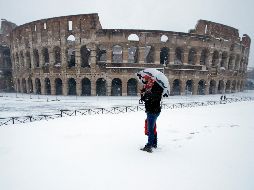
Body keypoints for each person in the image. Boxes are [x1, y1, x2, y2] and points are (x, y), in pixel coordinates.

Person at [140, 76, 164, 153]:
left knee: (150, 129)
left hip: (153, 111)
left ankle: (149, 145)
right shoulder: (148, 87)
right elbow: (144, 99)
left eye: (146, 79)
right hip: (150, 110)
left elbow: (156, 98)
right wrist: (143, 93)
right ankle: (154, 143)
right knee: (152, 128)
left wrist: (147, 94)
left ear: (151, 79)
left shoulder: (157, 87)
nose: (145, 81)